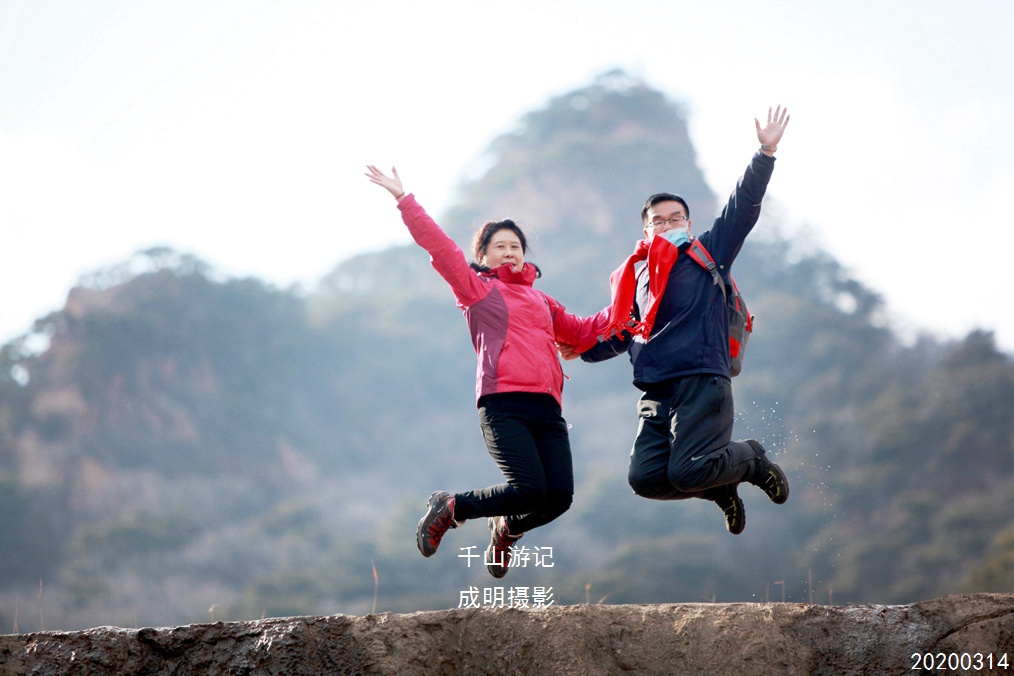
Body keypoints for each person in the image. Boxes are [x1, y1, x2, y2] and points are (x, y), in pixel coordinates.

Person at [365, 165, 605, 577]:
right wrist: (406, 201)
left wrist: (635, 300)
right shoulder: (479, 291)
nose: (510, 252)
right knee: (528, 489)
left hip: (548, 410)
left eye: (516, 246)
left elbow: (584, 332)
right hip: (503, 405)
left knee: (558, 497)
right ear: (484, 256)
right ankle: (452, 507)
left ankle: (507, 527)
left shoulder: (543, 301)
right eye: (500, 246)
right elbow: (442, 251)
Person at [562, 106, 792, 535]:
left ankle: (753, 460)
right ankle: (721, 488)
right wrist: (581, 353)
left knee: (688, 470)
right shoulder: (637, 279)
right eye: (658, 222)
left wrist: (765, 153)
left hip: (702, 378)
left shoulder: (706, 254)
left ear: (688, 222)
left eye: (675, 219)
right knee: (646, 478)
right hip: (656, 386)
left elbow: (742, 209)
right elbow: (621, 333)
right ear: (645, 231)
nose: (667, 226)